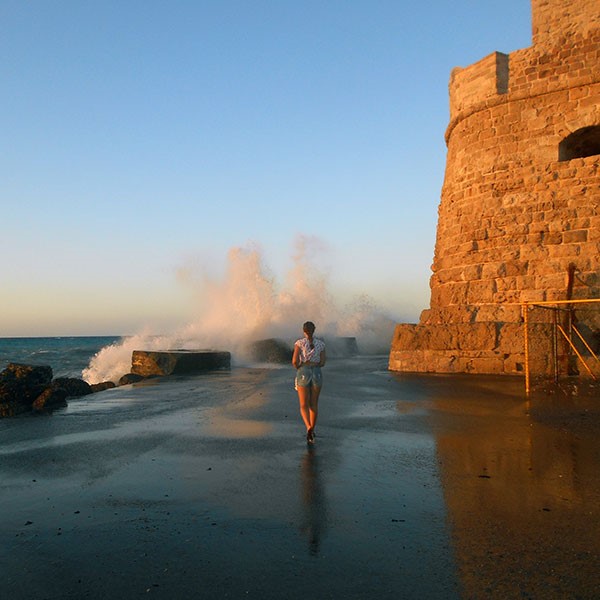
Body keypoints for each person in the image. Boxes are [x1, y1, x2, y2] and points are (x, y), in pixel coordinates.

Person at [292, 321, 326, 444]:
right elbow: (323, 363)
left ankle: (308, 427)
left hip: (303, 371)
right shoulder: (321, 344)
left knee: (303, 405)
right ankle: (313, 428)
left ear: (303, 330)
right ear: (314, 330)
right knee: (314, 404)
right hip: (316, 371)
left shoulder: (299, 343)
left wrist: (300, 368)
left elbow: (294, 361)